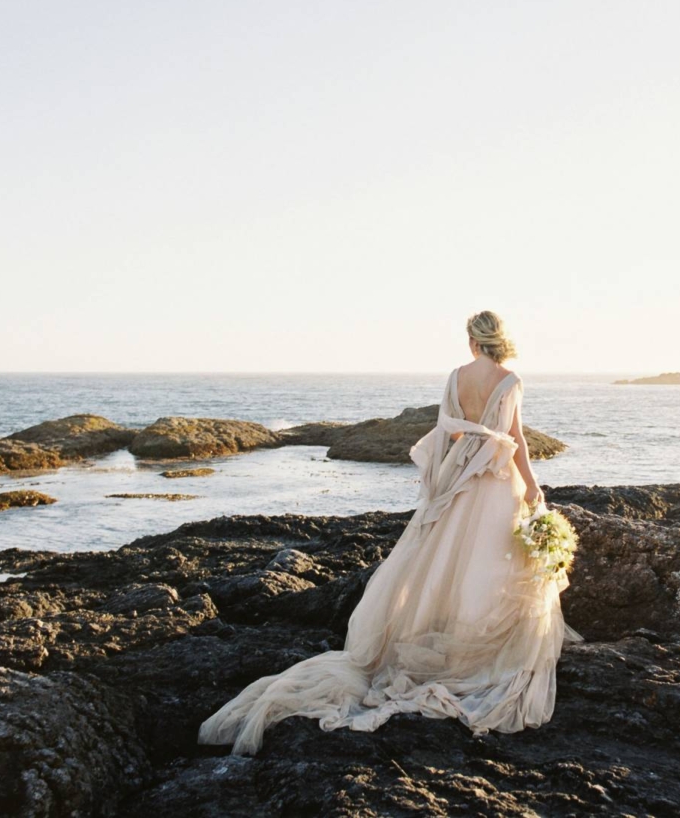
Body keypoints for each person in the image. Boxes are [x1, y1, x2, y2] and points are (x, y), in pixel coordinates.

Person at [197, 310, 583, 754]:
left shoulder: (456, 376)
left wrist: (445, 478)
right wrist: (533, 489)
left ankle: (439, 639)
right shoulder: (510, 381)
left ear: (472, 340)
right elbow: (515, 440)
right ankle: (471, 648)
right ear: (500, 338)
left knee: (443, 564)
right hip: (494, 483)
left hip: (458, 480)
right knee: (485, 567)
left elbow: (448, 434)